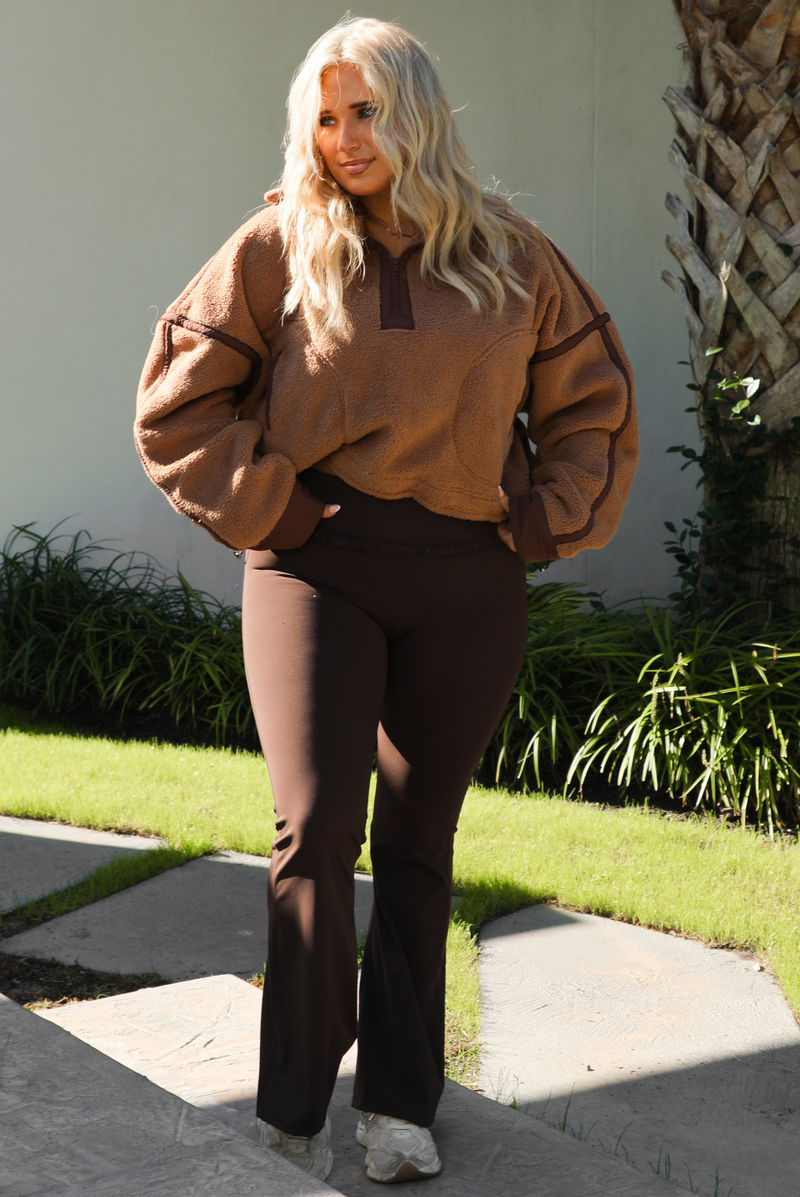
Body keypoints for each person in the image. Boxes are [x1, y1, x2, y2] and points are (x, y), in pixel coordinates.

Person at [134, 15, 637, 1184]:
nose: (343, 138)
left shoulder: (513, 256)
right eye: (323, 115)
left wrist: (536, 518)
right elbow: (177, 400)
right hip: (315, 569)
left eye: (364, 111)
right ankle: (294, 1112)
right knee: (314, 836)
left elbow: (590, 404)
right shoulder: (273, 247)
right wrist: (276, 509)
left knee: (419, 844)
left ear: (413, 113)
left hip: (467, 581)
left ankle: (397, 1111)